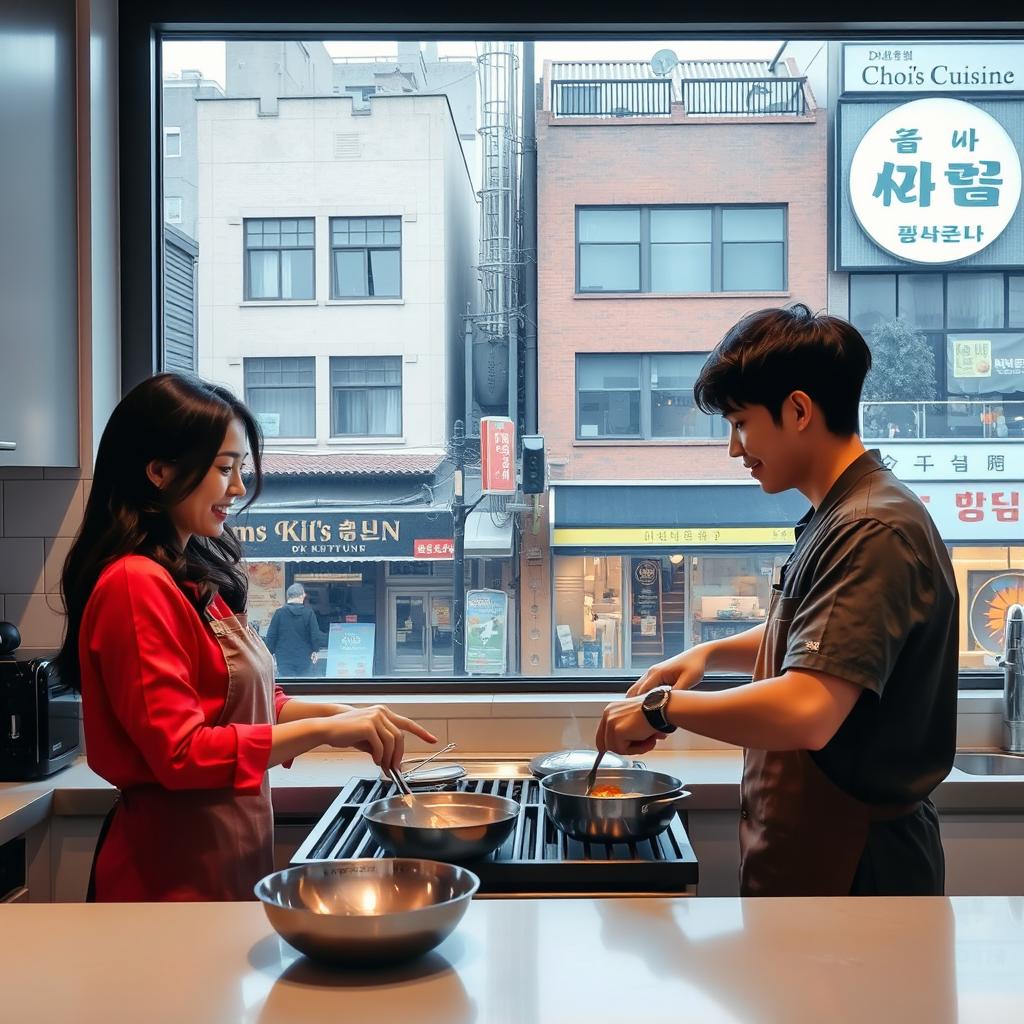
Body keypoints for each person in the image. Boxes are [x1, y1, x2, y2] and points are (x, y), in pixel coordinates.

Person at [595, 304, 958, 897]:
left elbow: (809, 708)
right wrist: (710, 654)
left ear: (798, 410)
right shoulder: (842, 513)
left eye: (740, 422)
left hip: (860, 867)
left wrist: (664, 710)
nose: (735, 449)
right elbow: (827, 643)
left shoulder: (871, 529)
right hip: (823, 853)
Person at [57, 372, 436, 902]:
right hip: (168, 877)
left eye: (238, 470)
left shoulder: (185, 577)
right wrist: (328, 732)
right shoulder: (133, 585)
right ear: (160, 471)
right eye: (223, 469)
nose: (237, 488)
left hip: (219, 855)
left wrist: (345, 714)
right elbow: (182, 753)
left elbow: (247, 704)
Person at [264, 583, 328, 677]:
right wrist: (315, 650)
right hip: (305, 660)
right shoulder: (309, 613)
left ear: (288, 596)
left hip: (284, 661)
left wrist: (270, 655)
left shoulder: (279, 613)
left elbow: (271, 638)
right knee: (303, 688)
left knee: (286, 688)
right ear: (302, 596)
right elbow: (315, 636)